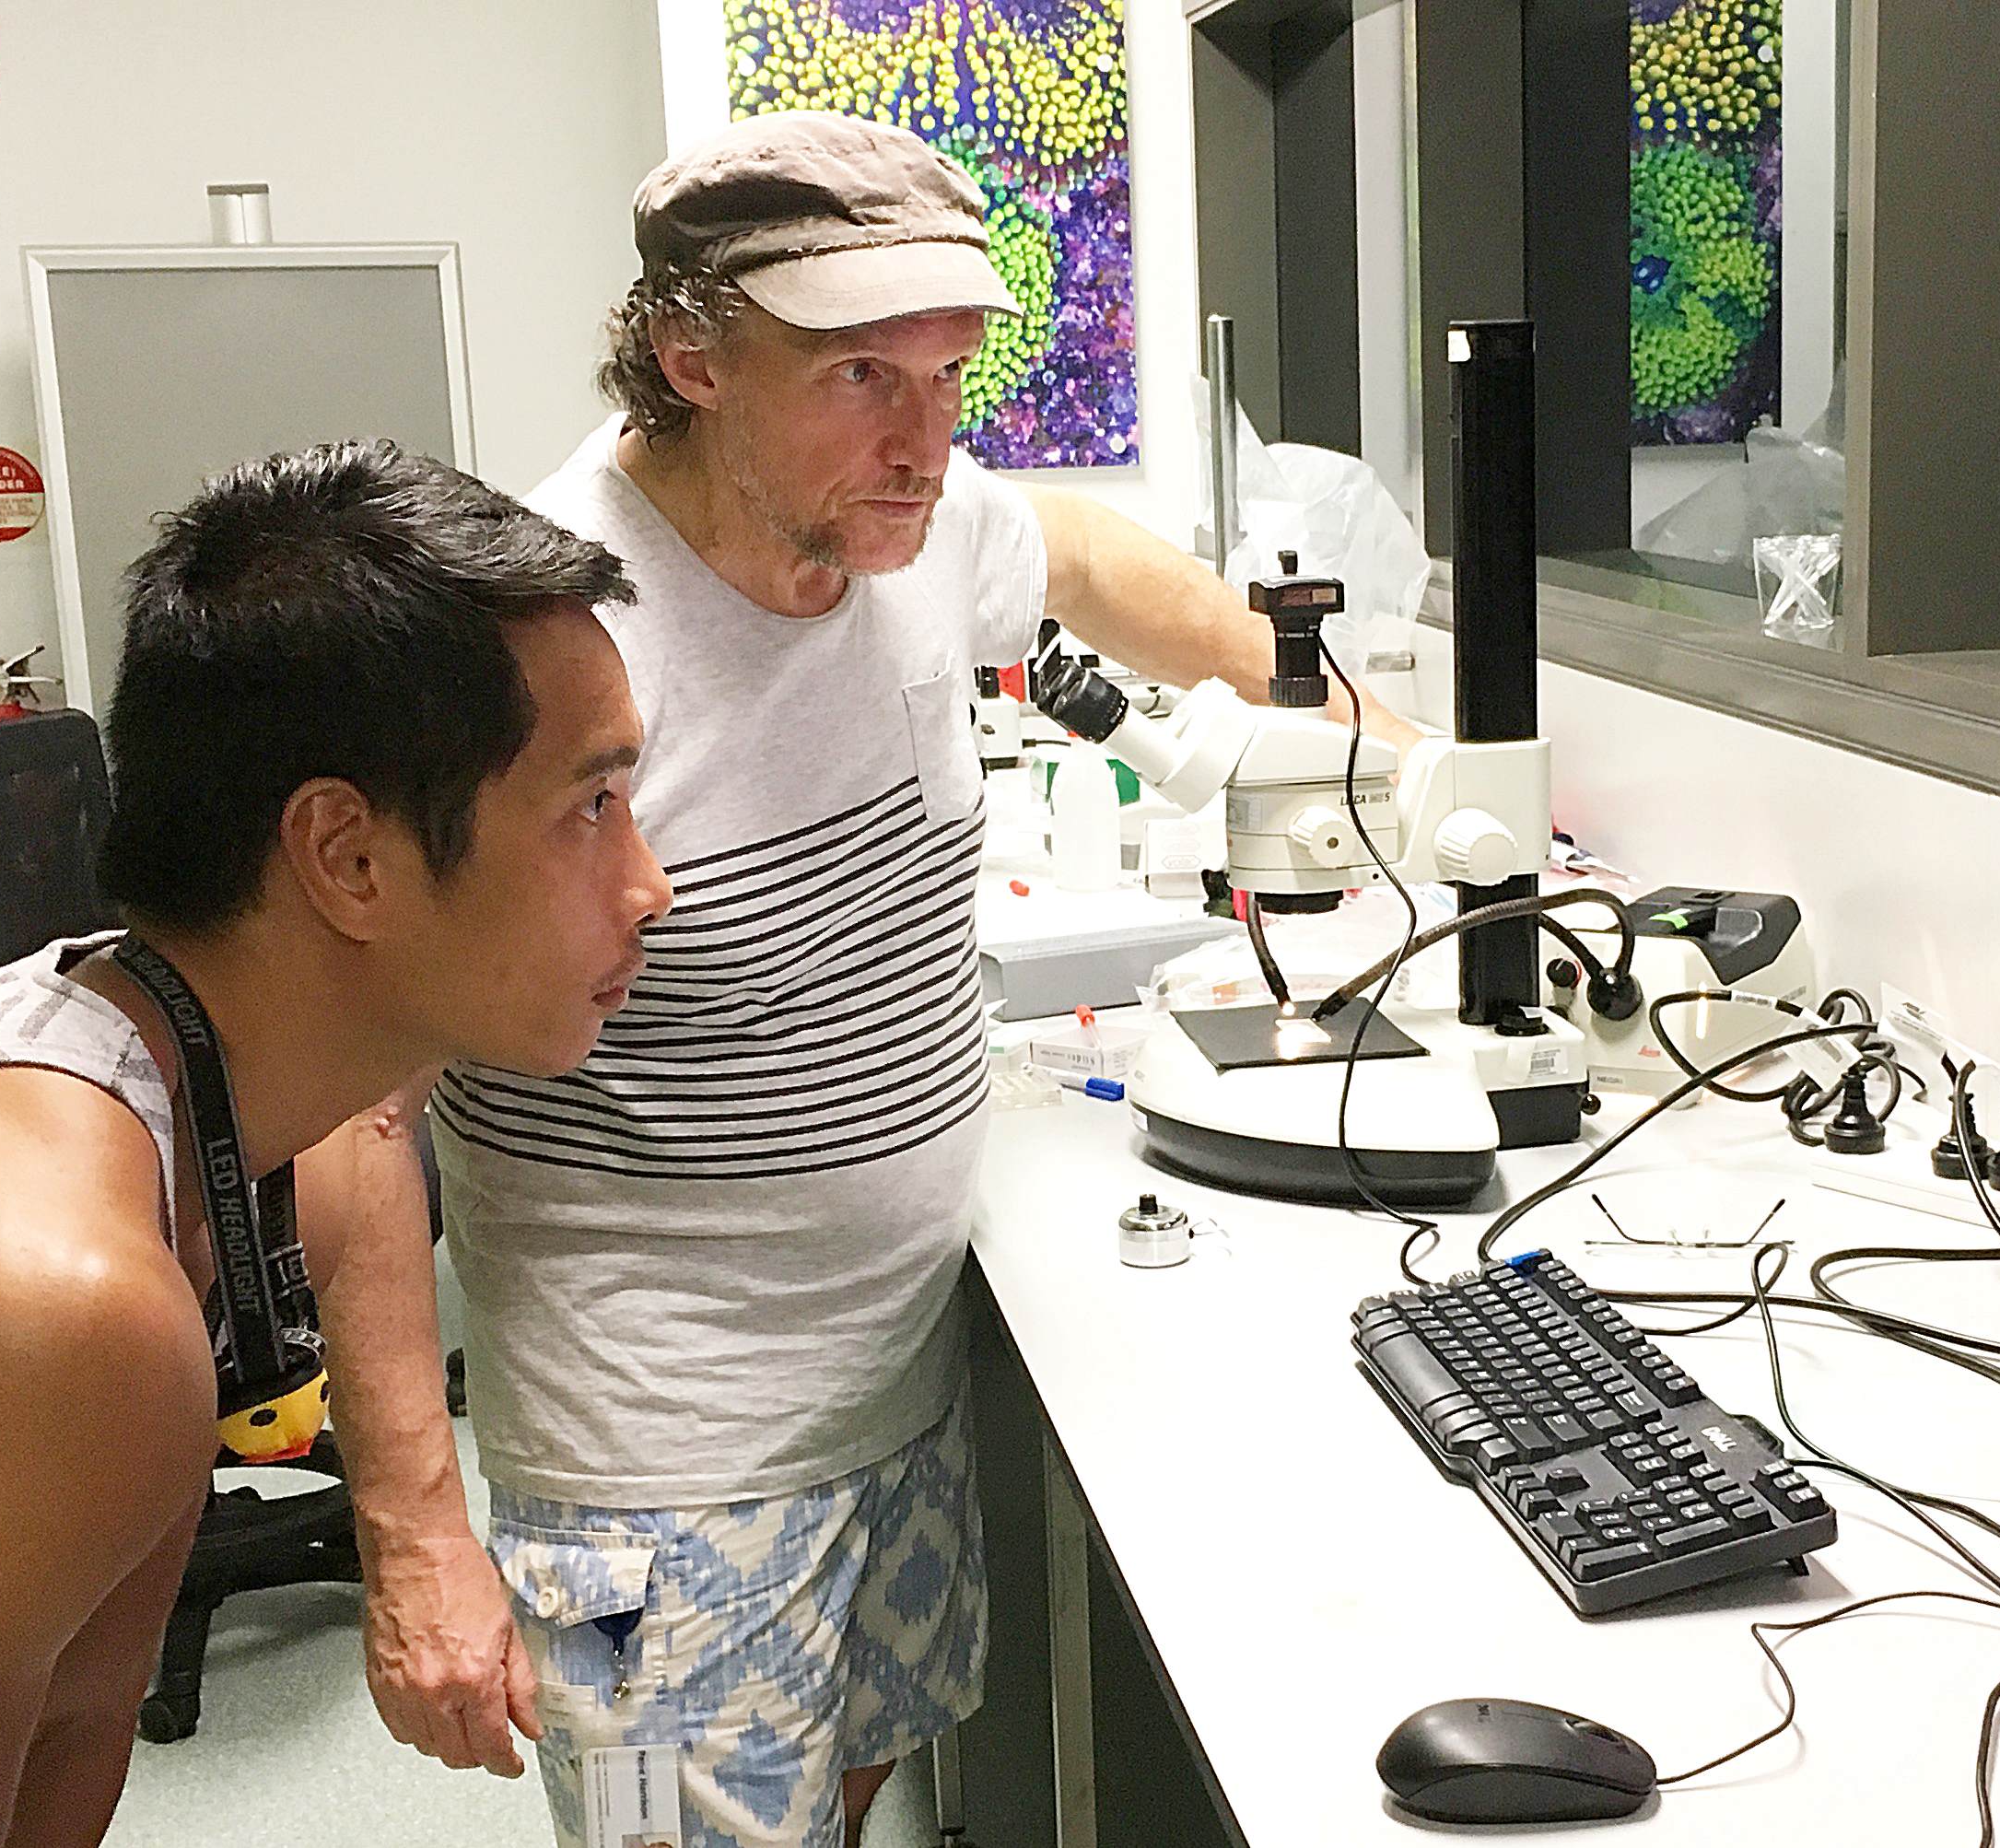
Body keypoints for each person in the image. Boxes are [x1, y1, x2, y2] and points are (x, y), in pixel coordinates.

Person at [328, 112, 1421, 1848]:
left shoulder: (912, 522)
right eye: (859, 379)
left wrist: (1344, 718)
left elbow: (1076, 554)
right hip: (657, 1469)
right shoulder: (528, 637)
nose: (927, 442)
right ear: (693, 361)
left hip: (895, 1400)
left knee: (847, 1812)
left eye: (949, 372)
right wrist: (410, 1530)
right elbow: (353, 1100)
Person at [0, 441, 672, 1846]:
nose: (650, 885)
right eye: (588, 807)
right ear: (347, 860)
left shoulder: (211, 1086)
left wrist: (416, 1522)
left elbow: (364, 1146)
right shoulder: (48, 1306)